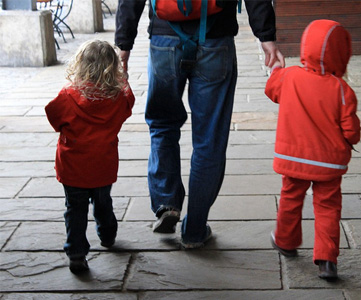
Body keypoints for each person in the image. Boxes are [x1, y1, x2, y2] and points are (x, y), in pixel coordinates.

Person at [115, 0, 284, 249]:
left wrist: (123, 44)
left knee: (163, 125)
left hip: (165, 39)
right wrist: (266, 36)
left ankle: (166, 202)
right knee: (210, 139)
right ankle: (194, 229)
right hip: (217, 40)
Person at [265, 19, 361, 280]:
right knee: (328, 207)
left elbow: (271, 89)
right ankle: (327, 260)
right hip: (329, 165)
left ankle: (285, 241)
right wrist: (351, 139)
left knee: (290, 197)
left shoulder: (290, 76)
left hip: (293, 159)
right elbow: (351, 131)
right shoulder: (343, 90)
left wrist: (276, 68)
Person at [45, 39, 135, 274]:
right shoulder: (118, 99)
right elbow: (129, 103)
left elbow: (54, 119)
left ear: (80, 65)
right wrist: (123, 79)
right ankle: (107, 234)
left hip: (73, 168)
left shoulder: (67, 95)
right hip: (103, 166)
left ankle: (76, 253)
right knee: (103, 202)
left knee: (75, 210)